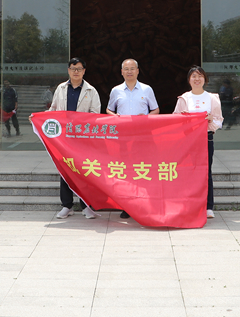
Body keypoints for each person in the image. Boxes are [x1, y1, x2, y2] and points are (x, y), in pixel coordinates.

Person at [47, 57, 102, 219]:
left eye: (79, 69)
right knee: (65, 171)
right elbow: (53, 110)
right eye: (73, 68)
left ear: (84, 71)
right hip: (64, 139)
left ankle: (86, 206)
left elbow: (95, 115)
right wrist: (38, 117)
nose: (76, 71)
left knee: (85, 171)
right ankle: (67, 206)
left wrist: (79, 122)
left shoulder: (91, 91)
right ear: (68, 70)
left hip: (83, 139)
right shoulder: (61, 88)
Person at [107, 58, 159, 218]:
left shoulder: (147, 89)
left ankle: (146, 204)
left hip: (143, 138)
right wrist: (114, 116)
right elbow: (109, 110)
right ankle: (127, 206)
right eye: (126, 69)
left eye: (132, 68)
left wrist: (146, 118)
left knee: (142, 170)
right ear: (121, 72)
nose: (129, 71)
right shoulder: (116, 90)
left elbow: (156, 110)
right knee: (126, 171)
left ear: (137, 71)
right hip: (123, 138)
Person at [173, 65, 223, 219]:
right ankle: (189, 204)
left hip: (206, 138)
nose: (197, 79)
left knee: (206, 172)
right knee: (188, 171)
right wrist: (183, 118)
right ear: (189, 80)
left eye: (200, 76)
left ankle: (208, 206)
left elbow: (219, 121)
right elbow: (174, 120)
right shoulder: (184, 98)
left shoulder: (212, 98)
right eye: (193, 76)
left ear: (205, 79)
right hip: (188, 140)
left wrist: (210, 120)